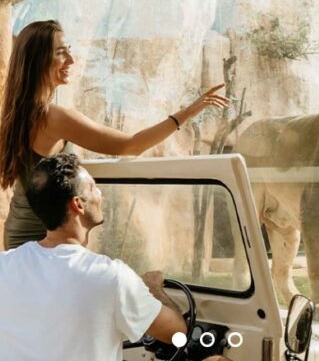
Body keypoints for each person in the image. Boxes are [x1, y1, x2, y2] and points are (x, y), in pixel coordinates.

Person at [0, 19, 229, 250]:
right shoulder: (54, 118)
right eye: (61, 53)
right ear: (39, 60)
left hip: (21, 234)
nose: (71, 60)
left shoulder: (17, 112)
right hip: (41, 239)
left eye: (70, 51)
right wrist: (187, 113)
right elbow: (131, 146)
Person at [0, 153, 186, 360]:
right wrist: (154, 288)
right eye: (93, 187)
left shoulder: (4, 266)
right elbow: (177, 334)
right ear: (78, 204)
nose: (100, 193)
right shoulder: (110, 276)